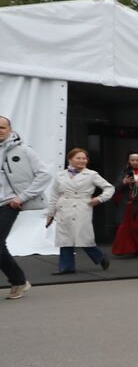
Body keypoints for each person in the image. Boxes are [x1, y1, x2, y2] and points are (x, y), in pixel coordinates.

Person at [0, 116, 53, 299]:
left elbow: (44, 175)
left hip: (8, 203)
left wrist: (22, 197)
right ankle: (18, 280)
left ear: (10, 129)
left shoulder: (23, 151)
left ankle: (18, 281)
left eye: (2, 127)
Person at [45, 147, 115, 273]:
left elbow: (109, 188)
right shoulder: (60, 175)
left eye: (84, 158)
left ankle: (100, 257)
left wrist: (100, 199)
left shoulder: (91, 174)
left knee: (83, 237)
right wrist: (50, 213)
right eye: (78, 158)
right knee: (65, 238)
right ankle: (66, 267)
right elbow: (54, 195)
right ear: (70, 159)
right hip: (64, 207)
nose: (82, 161)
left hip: (82, 206)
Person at [111, 152, 138, 257]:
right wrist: (123, 182)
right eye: (133, 160)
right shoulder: (124, 172)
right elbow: (114, 187)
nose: (135, 162)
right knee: (129, 228)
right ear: (129, 161)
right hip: (128, 204)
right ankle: (135, 248)